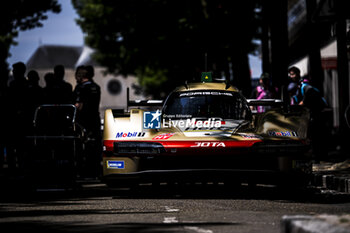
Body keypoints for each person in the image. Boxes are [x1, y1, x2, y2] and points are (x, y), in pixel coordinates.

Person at [73, 65, 101, 177]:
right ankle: (94, 170)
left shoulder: (80, 88)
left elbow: (78, 105)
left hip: (83, 120)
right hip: (94, 119)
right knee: (94, 145)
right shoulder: (96, 87)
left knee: (81, 146)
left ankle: (82, 171)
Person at [7, 62, 29, 171]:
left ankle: (18, 166)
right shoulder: (17, 84)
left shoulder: (18, 85)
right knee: (15, 145)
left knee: (18, 145)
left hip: (18, 120)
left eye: (15, 70)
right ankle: (17, 166)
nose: (13, 72)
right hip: (15, 119)